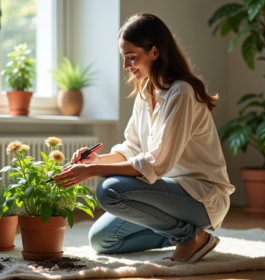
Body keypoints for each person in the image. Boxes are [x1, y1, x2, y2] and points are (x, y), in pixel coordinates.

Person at [51, 12, 235, 264]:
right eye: (123, 57)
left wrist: (94, 171)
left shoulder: (181, 92)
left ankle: (189, 238)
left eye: (131, 57)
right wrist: (96, 159)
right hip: (163, 196)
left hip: (200, 197)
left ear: (155, 53)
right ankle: (188, 234)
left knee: (109, 190)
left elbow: (158, 163)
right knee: (102, 239)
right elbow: (132, 148)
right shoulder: (145, 91)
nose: (126, 66)